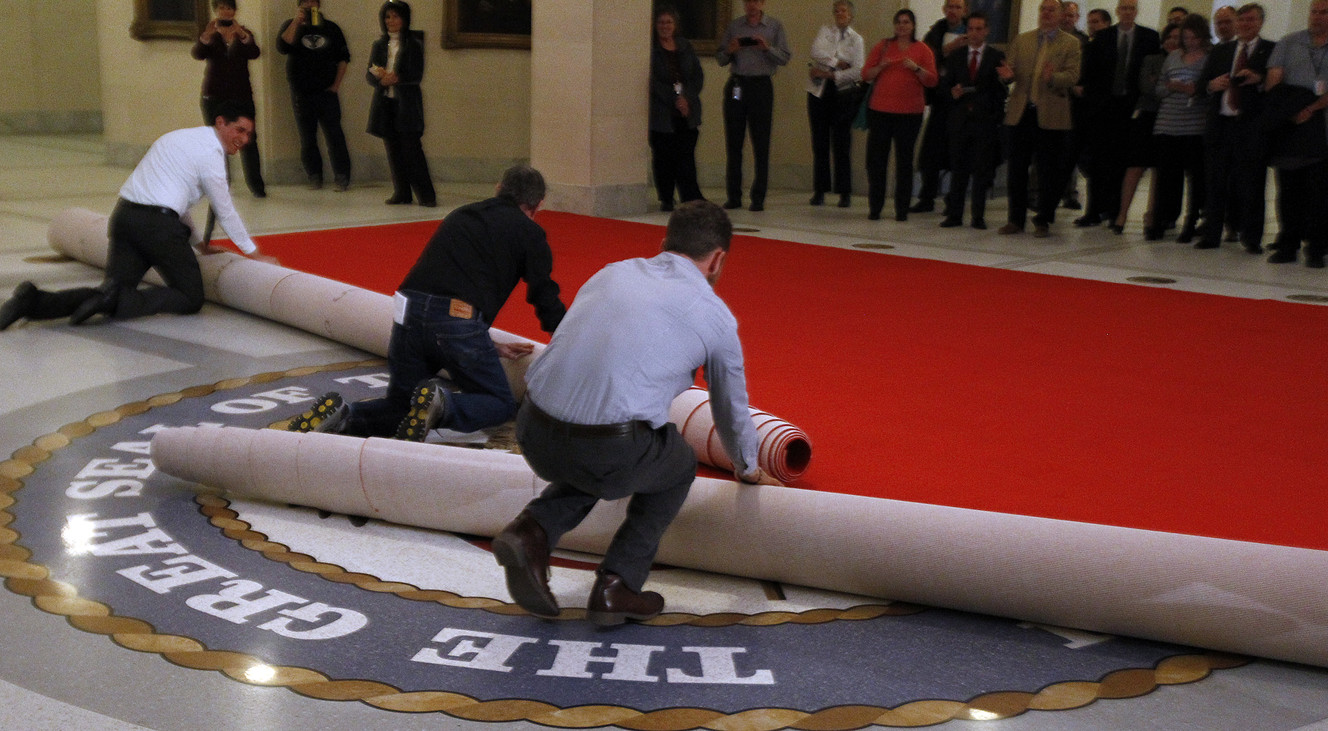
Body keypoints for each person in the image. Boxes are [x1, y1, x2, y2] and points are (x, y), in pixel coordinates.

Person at [490, 200, 779, 626]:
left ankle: (531, 530)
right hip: (605, 449)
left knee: (599, 454)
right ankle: (618, 585)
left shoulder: (612, 271)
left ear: (664, 243)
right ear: (718, 259)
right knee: (674, 460)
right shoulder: (716, 318)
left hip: (531, 426)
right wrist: (748, 467)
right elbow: (730, 409)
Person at [286, 166, 566, 439]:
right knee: (499, 403)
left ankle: (343, 417)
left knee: (403, 406)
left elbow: (440, 295)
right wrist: (564, 338)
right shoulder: (530, 233)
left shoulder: (462, 215)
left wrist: (487, 344)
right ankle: (443, 406)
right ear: (538, 205)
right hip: (457, 322)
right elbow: (543, 294)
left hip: (409, 312)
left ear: (498, 189)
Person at [0, 103, 277, 331]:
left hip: (124, 218)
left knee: (110, 289)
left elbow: (174, 201)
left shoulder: (179, 137)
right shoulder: (211, 154)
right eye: (239, 130)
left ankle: (33, 301)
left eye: (249, 134)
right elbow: (224, 210)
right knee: (190, 297)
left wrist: (198, 245)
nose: (244, 139)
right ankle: (117, 301)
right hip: (157, 228)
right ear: (221, 123)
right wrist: (254, 254)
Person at [997, 0, 1082, 238]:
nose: (1046, 13)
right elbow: (1009, 71)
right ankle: (1015, 220)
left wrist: (1053, 77)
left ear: (1060, 14)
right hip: (1021, 112)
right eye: (1043, 9)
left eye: (1051, 10)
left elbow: (1073, 76)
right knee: (1017, 169)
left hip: (1051, 115)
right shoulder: (1022, 40)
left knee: (1048, 171)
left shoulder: (1071, 43)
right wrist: (1007, 77)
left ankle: (1043, 218)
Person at [1195, 3, 1274, 252]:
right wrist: (1212, 85)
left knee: (1251, 184)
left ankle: (1251, 238)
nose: (1245, 25)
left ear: (1260, 23)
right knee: (1215, 182)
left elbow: (1277, 90)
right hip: (1221, 124)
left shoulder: (1270, 50)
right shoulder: (1222, 51)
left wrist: (1259, 80)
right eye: (1242, 20)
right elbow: (1201, 86)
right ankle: (1211, 234)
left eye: (1251, 20)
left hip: (1250, 126)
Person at [1076, 0, 1160, 228]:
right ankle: (1093, 211)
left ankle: (1114, 211)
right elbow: (1090, 72)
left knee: (1122, 161)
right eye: (1123, 8)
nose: (1127, 12)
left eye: (1131, 8)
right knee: (1097, 161)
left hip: (1132, 109)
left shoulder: (1149, 38)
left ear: (1136, 11)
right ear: (1117, 11)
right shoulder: (1103, 37)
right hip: (1104, 108)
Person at [1263, 0, 1328, 268]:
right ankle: (1287, 243)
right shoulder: (1289, 42)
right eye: (1314, 11)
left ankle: (1316, 248)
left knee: (1320, 194)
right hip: (1289, 127)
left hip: (1322, 126)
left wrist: (1311, 108)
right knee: (1288, 191)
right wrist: (1290, 111)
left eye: (1323, 12)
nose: (1317, 16)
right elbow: (1273, 81)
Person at [861, 8, 938, 222]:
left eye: (906, 22)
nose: (902, 26)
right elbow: (865, 74)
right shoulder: (883, 46)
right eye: (898, 22)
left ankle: (901, 208)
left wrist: (916, 69)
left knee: (904, 162)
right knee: (876, 162)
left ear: (913, 26)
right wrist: (881, 67)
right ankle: (875, 207)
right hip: (880, 112)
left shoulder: (922, 50)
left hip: (909, 114)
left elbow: (932, 80)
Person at [717, 0, 792, 212]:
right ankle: (734, 196)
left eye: (755, 1)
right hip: (737, 84)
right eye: (748, 1)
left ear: (762, 3)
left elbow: (785, 57)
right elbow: (720, 58)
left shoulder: (774, 27)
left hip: (761, 86)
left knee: (761, 144)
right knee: (733, 143)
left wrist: (767, 48)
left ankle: (758, 198)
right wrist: (730, 50)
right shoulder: (734, 26)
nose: (751, 5)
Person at [1110, 21, 1179, 235]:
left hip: (1170, 118)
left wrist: (1162, 83)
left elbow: (1170, 88)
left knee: (1159, 169)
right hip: (1146, 116)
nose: (1172, 41)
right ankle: (1122, 214)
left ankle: (1152, 215)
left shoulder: (1183, 61)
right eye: (1169, 37)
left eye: (1177, 38)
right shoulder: (1151, 59)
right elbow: (1147, 87)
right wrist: (1169, 85)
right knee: (1135, 166)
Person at [191, 0, 264, 200]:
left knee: (249, 139)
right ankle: (220, 186)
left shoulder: (244, 33)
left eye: (230, 8)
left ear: (234, 11)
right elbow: (197, 54)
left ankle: (257, 186)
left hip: (241, 95)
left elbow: (255, 53)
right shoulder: (211, 33)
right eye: (222, 8)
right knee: (216, 142)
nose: (226, 11)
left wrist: (243, 35)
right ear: (216, 11)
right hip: (214, 95)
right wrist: (205, 37)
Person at [1147, 13, 1210, 243]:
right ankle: (1160, 220)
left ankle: (1191, 221)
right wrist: (1172, 87)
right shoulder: (1173, 56)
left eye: (1194, 37)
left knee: (1195, 178)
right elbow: (1160, 90)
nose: (1190, 42)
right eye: (1186, 37)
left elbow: (1206, 90)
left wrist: (1192, 90)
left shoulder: (1208, 58)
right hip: (1167, 123)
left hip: (1193, 125)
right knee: (1166, 177)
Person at [940, 11, 1006, 229]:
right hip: (960, 120)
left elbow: (1001, 89)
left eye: (979, 29)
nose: (975, 33)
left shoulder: (995, 56)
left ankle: (978, 215)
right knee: (958, 169)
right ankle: (955, 214)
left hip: (984, 121)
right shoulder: (957, 56)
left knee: (981, 171)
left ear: (986, 31)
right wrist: (953, 92)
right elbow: (945, 86)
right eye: (971, 29)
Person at [277, 0, 352, 191]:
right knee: (307, 137)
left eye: (313, 2)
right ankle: (314, 176)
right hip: (301, 93)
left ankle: (342, 177)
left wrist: (335, 86)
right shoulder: (291, 25)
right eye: (305, 3)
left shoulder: (331, 28)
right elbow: (282, 47)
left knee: (335, 135)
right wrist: (296, 22)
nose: (310, 6)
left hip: (327, 92)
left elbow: (343, 59)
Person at [367, 0, 435, 207]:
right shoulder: (379, 45)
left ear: (404, 19)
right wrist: (380, 79)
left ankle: (426, 195)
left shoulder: (414, 44)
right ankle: (402, 192)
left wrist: (397, 78)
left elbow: (417, 74)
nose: (391, 21)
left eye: (395, 16)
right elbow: (369, 74)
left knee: (412, 150)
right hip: (386, 103)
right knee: (393, 149)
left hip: (406, 104)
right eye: (387, 17)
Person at [912, 0, 969, 214]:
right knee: (931, 151)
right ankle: (927, 196)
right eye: (950, 7)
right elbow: (925, 59)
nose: (953, 11)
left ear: (964, 10)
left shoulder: (971, 31)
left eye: (957, 7)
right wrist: (948, 49)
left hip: (962, 101)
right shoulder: (936, 32)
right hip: (940, 99)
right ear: (944, 10)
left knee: (956, 153)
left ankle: (954, 200)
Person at [806, 0, 864, 209]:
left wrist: (829, 73)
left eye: (844, 11)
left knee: (841, 143)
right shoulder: (825, 31)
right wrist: (838, 63)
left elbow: (858, 70)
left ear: (851, 15)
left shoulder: (856, 40)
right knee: (819, 142)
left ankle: (844, 192)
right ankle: (820, 190)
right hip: (819, 92)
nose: (840, 14)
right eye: (837, 11)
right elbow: (816, 52)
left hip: (843, 94)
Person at [650, 6, 706, 212]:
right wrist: (675, 99)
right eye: (661, 23)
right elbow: (652, 81)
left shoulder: (685, 46)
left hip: (686, 111)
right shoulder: (651, 49)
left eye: (669, 22)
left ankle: (691, 196)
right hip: (663, 113)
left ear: (675, 25)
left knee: (686, 156)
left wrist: (686, 99)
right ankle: (666, 197)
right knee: (664, 158)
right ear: (656, 26)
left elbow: (697, 75)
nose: (665, 27)